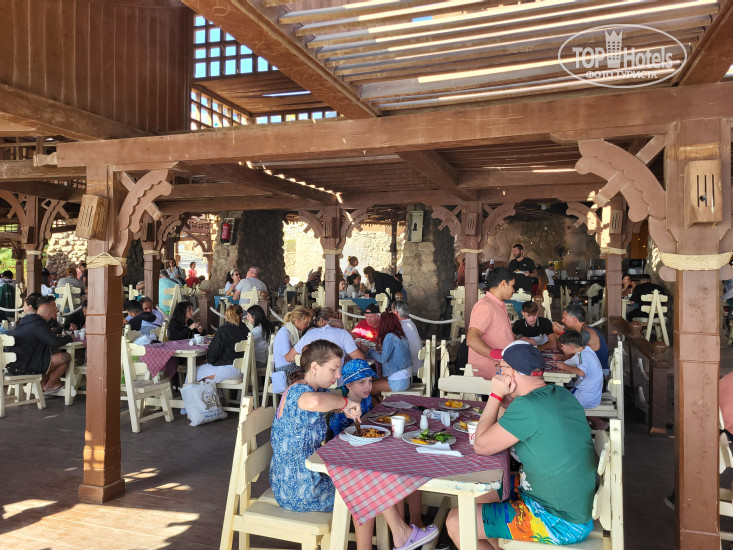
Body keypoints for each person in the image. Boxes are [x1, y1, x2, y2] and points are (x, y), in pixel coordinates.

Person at [270, 340, 438, 550]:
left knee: (364, 477)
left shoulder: (300, 389)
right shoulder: (301, 393)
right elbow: (314, 402)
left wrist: (341, 408)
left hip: (291, 479)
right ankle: (401, 535)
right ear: (315, 367)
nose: (338, 375)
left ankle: (400, 535)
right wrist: (346, 403)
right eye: (333, 369)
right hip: (299, 488)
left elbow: (317, 403)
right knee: (363, 485)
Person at [445, 341, 596, 548]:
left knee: (456, 521)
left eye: (500, 368)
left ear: (512, 373)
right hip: (569, 505)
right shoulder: (558, 393)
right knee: (479, 493)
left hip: (558, 520)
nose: (497, 373)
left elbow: (481, 445)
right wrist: (505, 400)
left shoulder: (528, 406)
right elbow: (502, 432)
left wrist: (495, 395)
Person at [7, 302, 73, 396]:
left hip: (14, 365)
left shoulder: (27, 321)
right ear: (49, 314)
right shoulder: (38, 324)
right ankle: (50, 385)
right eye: (55, 314)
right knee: (66, 357)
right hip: (23, 367)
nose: (55, 317)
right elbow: (54, 343)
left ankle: (44, 386)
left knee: (53, 354)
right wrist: (70, 338)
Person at [466, 267, 515, 379]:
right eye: (512, 286)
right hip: (488, 373)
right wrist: (500, 356)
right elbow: (471, 339)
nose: (513, 290)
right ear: (503, 284)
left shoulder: (497, 305)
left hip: (500, 370)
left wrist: (518, 341)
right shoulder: (485, 306)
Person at [285, 307, 365, 366]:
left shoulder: (310, 334)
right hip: (337, 379)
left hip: (314, 378)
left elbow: (289, 357)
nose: (336, 322)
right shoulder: (343, 334)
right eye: (333, 320)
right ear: (322, 320)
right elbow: (360, 359)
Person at [358, 311, 412, 394]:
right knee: (373, 383)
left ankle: (381, 403)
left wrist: (368, 351)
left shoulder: (390, 336)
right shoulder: (401, 335)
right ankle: (382, 401)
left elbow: (382, 359)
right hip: (406, 380)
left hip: (397, 382)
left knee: (366, 389)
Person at [196, 305, 250, 383]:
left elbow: (212, 356)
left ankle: (188, 390)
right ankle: (214, 391)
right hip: (243, 370)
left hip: (228, 370)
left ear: (226, 316)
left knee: (193, 372)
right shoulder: (246, 330)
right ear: (241, 315)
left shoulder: (223, 330)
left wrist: (206, 360)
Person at [552, 304, 609, 376]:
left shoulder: (586, 333)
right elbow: (567, 353)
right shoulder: (584, 330)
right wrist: (558, 335)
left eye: (564, 318)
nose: (562, 320)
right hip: (591, 370)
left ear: (574, 319)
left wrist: (561, 334)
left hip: (598, 373)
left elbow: (568, 353)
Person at [328, 358, 377, 436]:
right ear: (349, 385)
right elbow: (339, 435)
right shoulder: (341, 410)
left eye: (370, 381)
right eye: (362, 382)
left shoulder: (367, 399)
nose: (368, 386)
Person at [391, 301, 423, 377]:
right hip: (419, 367)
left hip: (410, 372)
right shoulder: (411, 324)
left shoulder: (400, 326)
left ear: (396, 312)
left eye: (392, 310)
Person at [246, 304, 275, 369]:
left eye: (248, 316)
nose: (247, 318)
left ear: (254, 317)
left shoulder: (257, 330)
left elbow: (247, 344)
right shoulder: (266, 327)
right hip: (264, 359)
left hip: (258, 361)